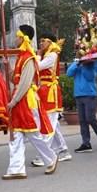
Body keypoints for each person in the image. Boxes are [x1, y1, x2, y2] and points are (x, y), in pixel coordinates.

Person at [2, 25, 57, 179]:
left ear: (23, 38)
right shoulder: (20, 58)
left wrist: (13, 102)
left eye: (17, 36)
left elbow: (25, 84)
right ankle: (16, 168)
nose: (15, 39)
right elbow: (15, 80)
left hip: (26, 100)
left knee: (33, 134)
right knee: (16, 135)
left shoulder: (29, 58)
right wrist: (8, 69)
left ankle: (51, 157)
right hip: (19, 99)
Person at [31, 33, 71, 166]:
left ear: (50, 42)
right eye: (40, 41)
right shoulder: (47, 54)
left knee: (49, 123)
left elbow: (38, 66)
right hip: (44, 90)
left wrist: (36, 55)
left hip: (50, 92)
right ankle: (62, 150)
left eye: (43, 41)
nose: (41, 43)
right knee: (53, 123)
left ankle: (46, 155)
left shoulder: (52, 55)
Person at [66, 58, 97, 152]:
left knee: (90, 118)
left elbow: (89, 77)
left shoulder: (90, 65)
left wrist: (84, 65)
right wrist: (77, 63)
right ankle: (86, 143)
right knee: (82, 120)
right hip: (78, 94)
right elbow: (69, 73)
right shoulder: (76, 63)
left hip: (89, 94)